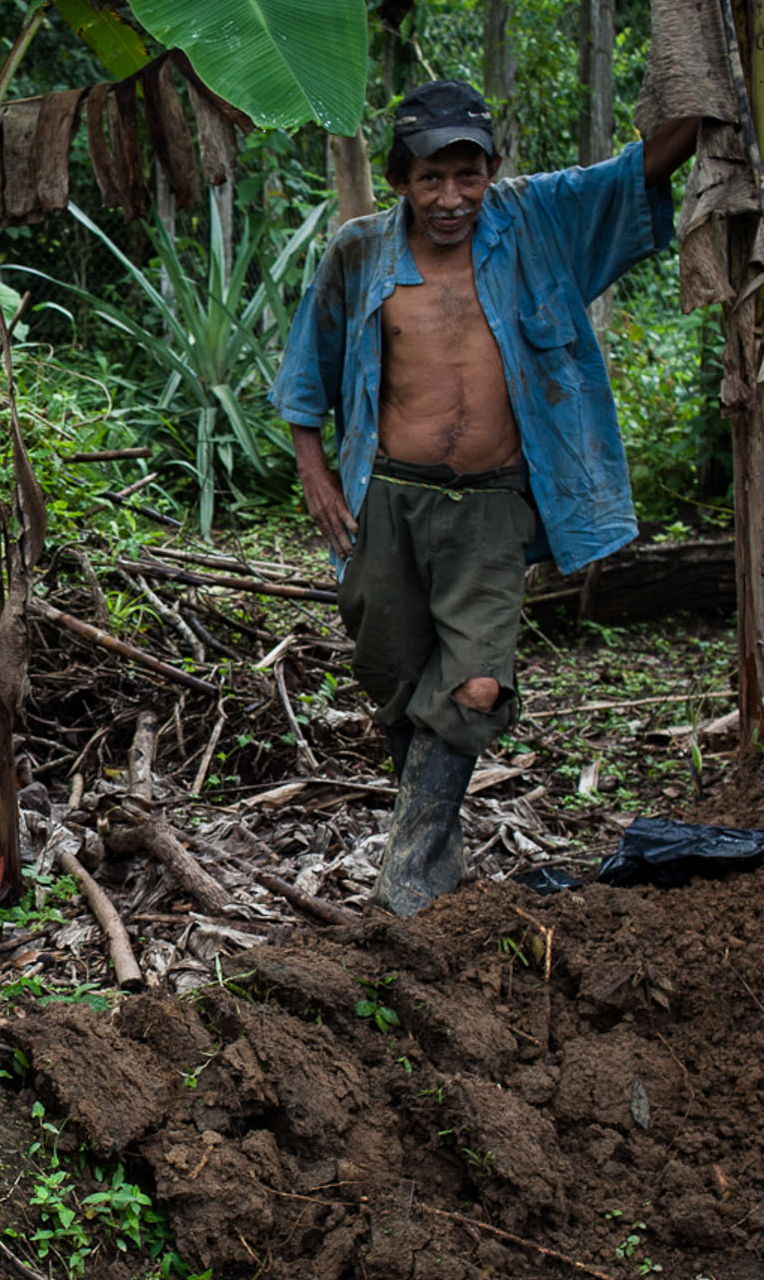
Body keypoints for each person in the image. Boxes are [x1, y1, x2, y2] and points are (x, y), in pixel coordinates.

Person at [273, 79, 700, 914]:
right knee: (394, 681)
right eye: (430, 178)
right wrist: (314, 473)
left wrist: (698, 59)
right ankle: (433, 868)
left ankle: (408, 892)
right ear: (400, 178)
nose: (450, 197)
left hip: (495, 504)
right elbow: (305, 374)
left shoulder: (537, 219)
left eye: (467, 175)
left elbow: (642, 164)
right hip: (386, 501)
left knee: (473, 688)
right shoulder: (358, 253)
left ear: (491, 169)